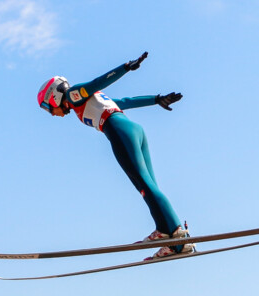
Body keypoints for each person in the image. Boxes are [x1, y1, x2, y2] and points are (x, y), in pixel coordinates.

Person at [37, 51, 194, 259]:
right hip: (133, 129)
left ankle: (178, 237)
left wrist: (125, 68)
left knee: (145, 186)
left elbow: (97, 82)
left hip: (118, 130)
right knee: (148, 187)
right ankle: (169, 236)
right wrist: (157, 99)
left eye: (47, 107)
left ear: (53, 96)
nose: (51, 113)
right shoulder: (88, 101)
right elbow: (125, 101)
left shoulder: (73, 95)